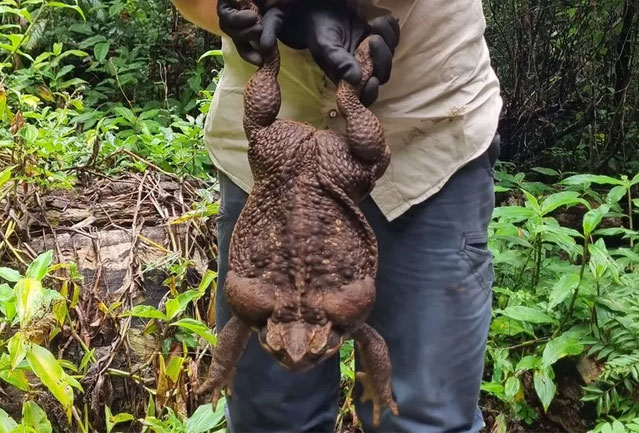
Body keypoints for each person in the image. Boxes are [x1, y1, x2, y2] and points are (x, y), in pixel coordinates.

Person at [171, 0, 502, 432]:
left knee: (422, 418)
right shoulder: (289, 312)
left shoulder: (335, 313)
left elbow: (365, 333)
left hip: (423, 132)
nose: (294, 352)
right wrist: (249, 13)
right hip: (272, 162)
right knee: (269, 420)